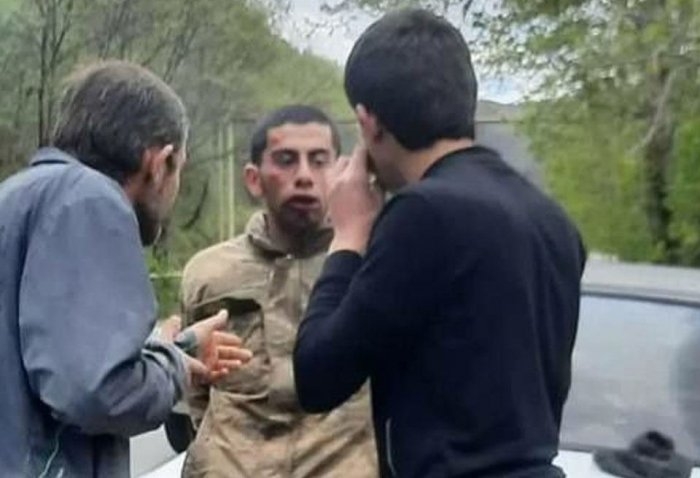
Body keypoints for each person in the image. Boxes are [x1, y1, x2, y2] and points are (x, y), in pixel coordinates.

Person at [293, 9, 587, 478]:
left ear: (369, 124)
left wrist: (348, 235)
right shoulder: (553, 221)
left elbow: (317, 376)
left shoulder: (422, 215)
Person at [0, 60, 251, 477]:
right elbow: (96, 392)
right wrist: (175, 368)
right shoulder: (91, 200)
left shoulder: (17, 196)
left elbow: (47, 356)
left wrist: (175, 348)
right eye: (179, 170)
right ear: (159, 162)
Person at [177, 105, 377, 478]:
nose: (304, 176)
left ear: (340, 172)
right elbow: (194, 389)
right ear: (254, 179)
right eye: (286, 160)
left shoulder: (369, 267)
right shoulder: (209, 274)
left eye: (318, 160)